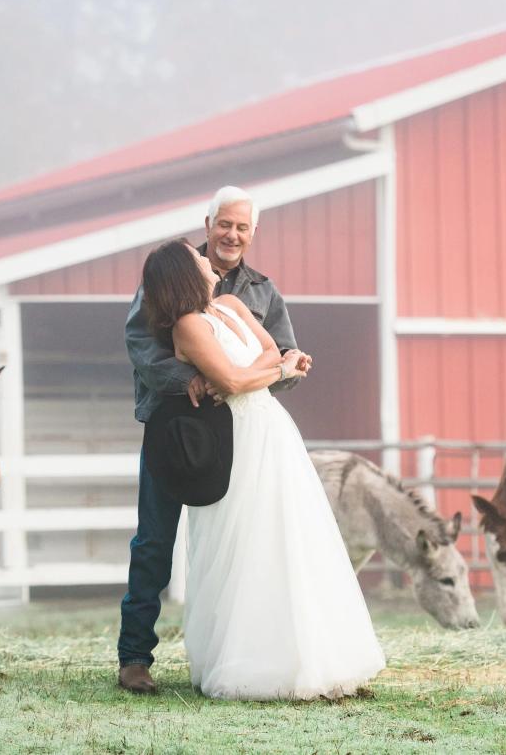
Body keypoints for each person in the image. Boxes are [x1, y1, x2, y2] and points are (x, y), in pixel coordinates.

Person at [138, 239, 384, 700]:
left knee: (293, 535)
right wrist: (268, 371)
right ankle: (251, 659)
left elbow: (270, 352)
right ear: (183, 275)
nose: (208, 260)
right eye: (197, 259)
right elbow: (235, 380)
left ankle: (314, 654)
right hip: (234, 437)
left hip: (271, 428)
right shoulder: (188, 327)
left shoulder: (233, 304)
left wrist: (258, 371)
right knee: (245, 541)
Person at [118, 186, 306, 694]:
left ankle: (241, 653)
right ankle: (134, 657)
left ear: (253, 233)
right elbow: (139, 343)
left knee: (241, 543)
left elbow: (281, 355)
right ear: (208, 223)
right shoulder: (172, 270)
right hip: (173, 425)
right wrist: (191, 380)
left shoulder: (262, 291)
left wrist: (291, 366)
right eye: (225, 224)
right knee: (155, 540)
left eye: (243, 227)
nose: (232, 234)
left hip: (235, 432)